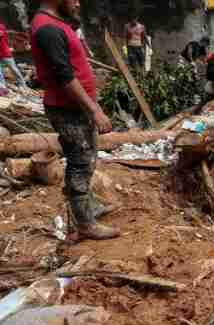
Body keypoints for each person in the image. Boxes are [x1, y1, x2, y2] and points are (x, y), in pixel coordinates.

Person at [31, 0, 118, 240]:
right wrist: (94, 110)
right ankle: (85, 224)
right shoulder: (47, 28)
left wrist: (92, 104)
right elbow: (65, 77)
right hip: (67, 110)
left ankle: (88, 207)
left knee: (88, 158)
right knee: (79, 162)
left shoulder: (56, 24)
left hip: (76, 107)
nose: (78, 3)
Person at [0, 20, 29, 93]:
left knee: (14, 69)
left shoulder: (1, 26)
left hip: (5, 53)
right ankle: (3, 87)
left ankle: (23, 85)